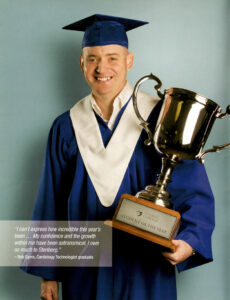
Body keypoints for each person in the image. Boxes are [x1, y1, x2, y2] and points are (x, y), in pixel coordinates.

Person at [21, 14, 215, 300]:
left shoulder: (160, 116)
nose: (102, 68)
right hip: (84, 266)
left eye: (112, 58)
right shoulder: (66, 126)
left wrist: (189, 241)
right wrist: (48, 272)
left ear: (129, 61)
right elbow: (52, 198)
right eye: (92, 59)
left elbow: (192, 187)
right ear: (81, 63)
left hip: (145, 265)